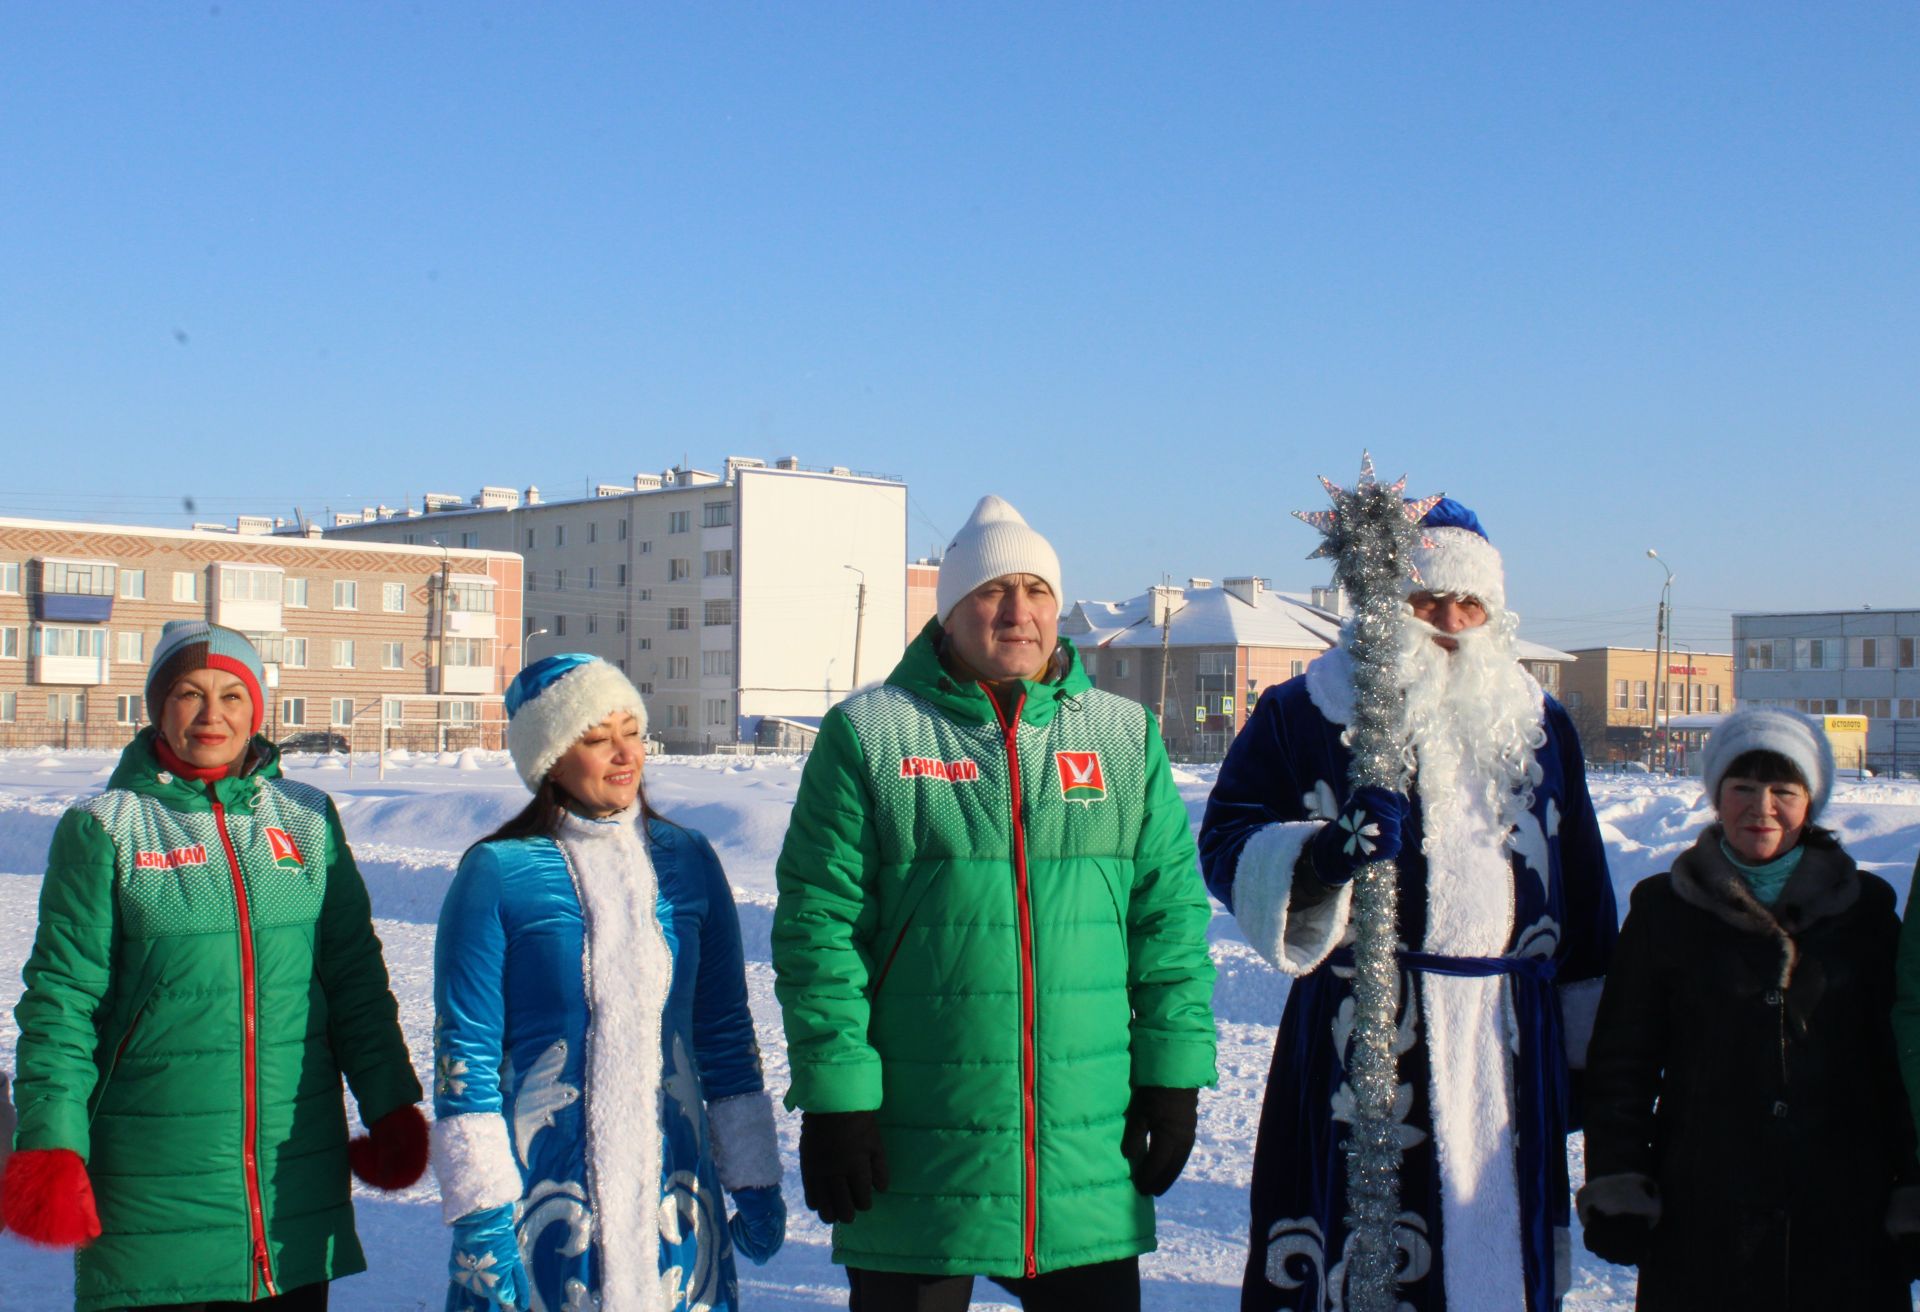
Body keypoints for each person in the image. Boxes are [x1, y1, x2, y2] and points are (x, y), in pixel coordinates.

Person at [772, 495, 1217, 1312]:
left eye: (1037, 591)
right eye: (992, 592)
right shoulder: (872, 734)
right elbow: (819, 931)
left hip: (1084, 1153)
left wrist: (1173, 1078)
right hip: (915, 1148)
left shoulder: (1124, 737)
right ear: (950, 611)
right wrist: (836, 1100)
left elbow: (1169, 926)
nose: (1020, 612)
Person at [1199, 499, 1616, 1312]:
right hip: (1360, 1033)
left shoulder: (1540, 724)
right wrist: (1320, 856)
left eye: (1471, 607)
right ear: (1389, 606)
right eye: (1429, 604)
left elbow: (1586, 892)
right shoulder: (1304, 711)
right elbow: (1226, 839)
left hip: (1508, 1044)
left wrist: (1588, 1069)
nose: (1452, 624)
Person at [3, 621, 425, 1311]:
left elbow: (355, 981)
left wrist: (389, 1103)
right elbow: (62, 1001)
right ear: (158, 706)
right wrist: (50, 1144)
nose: (213, 714)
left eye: (233, 694)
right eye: (190, 693)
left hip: (295, 1183)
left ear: (257, 710)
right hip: (152, 1188)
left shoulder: (309, 819)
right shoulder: (106, 826)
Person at [432, 653, 785, 1312]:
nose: (624, 753)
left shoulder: (690, 860)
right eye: (597, 739)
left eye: (631, 730)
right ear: (549, 760)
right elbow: (465, 1055)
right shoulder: (496, 874)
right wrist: (481, 1214)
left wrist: (753, 1173)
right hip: (546, 1199)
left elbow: (724, 1029)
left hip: (675, 1206)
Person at [1582, 706, 1920, 1309]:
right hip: (1704, 1206)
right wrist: (1618, 1181)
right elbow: (1622, 1063)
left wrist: (1913, 1189)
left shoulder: (1865, 913)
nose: (1760, 807)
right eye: (1742, 788)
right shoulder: (1665, 910)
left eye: (1783, 790)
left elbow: (1897, 1062)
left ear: (1811, 801)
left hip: (1845, 1208)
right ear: (1716, 796)